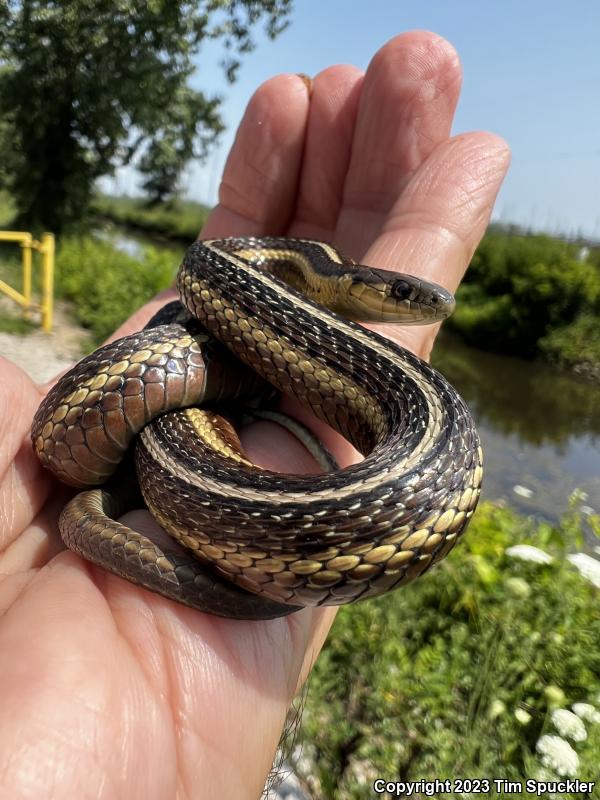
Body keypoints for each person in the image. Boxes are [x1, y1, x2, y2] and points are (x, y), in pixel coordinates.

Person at [0, 32, 509, 799]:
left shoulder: (282, 302)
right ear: (356, 283)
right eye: (402, 296)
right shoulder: (259, 272)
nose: (416, 307)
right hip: (202, 426)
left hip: (385, 490)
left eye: (411, 300)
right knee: (176, 420)